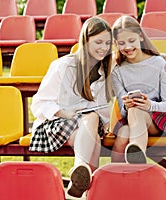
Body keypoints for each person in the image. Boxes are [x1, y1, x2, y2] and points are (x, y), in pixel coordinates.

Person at [29, 17, 113, 198]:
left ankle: (81, 175)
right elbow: (39, 103)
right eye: (98, 42)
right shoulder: (63, 66)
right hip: (55, 124)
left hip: (85, 127)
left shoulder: (104, 70)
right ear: (85, 40)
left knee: (93, 129)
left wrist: (162, 57)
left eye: (107, 43)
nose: (104, 48)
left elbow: (134, 60)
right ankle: (84, 180)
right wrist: (64, 112)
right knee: (92, 125)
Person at [111, 15, 166, 164]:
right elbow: (123, 109)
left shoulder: (160, 63)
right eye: (122, 43)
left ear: (141, 37)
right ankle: (117, 176)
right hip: (131, 120)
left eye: (131, 41)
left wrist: (150, 105)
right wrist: (126, 105)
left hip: (158, 119)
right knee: (123, 135)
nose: (128, 47)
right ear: (116, 43)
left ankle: (137, 154)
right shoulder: (117, 71)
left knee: (137, 110)